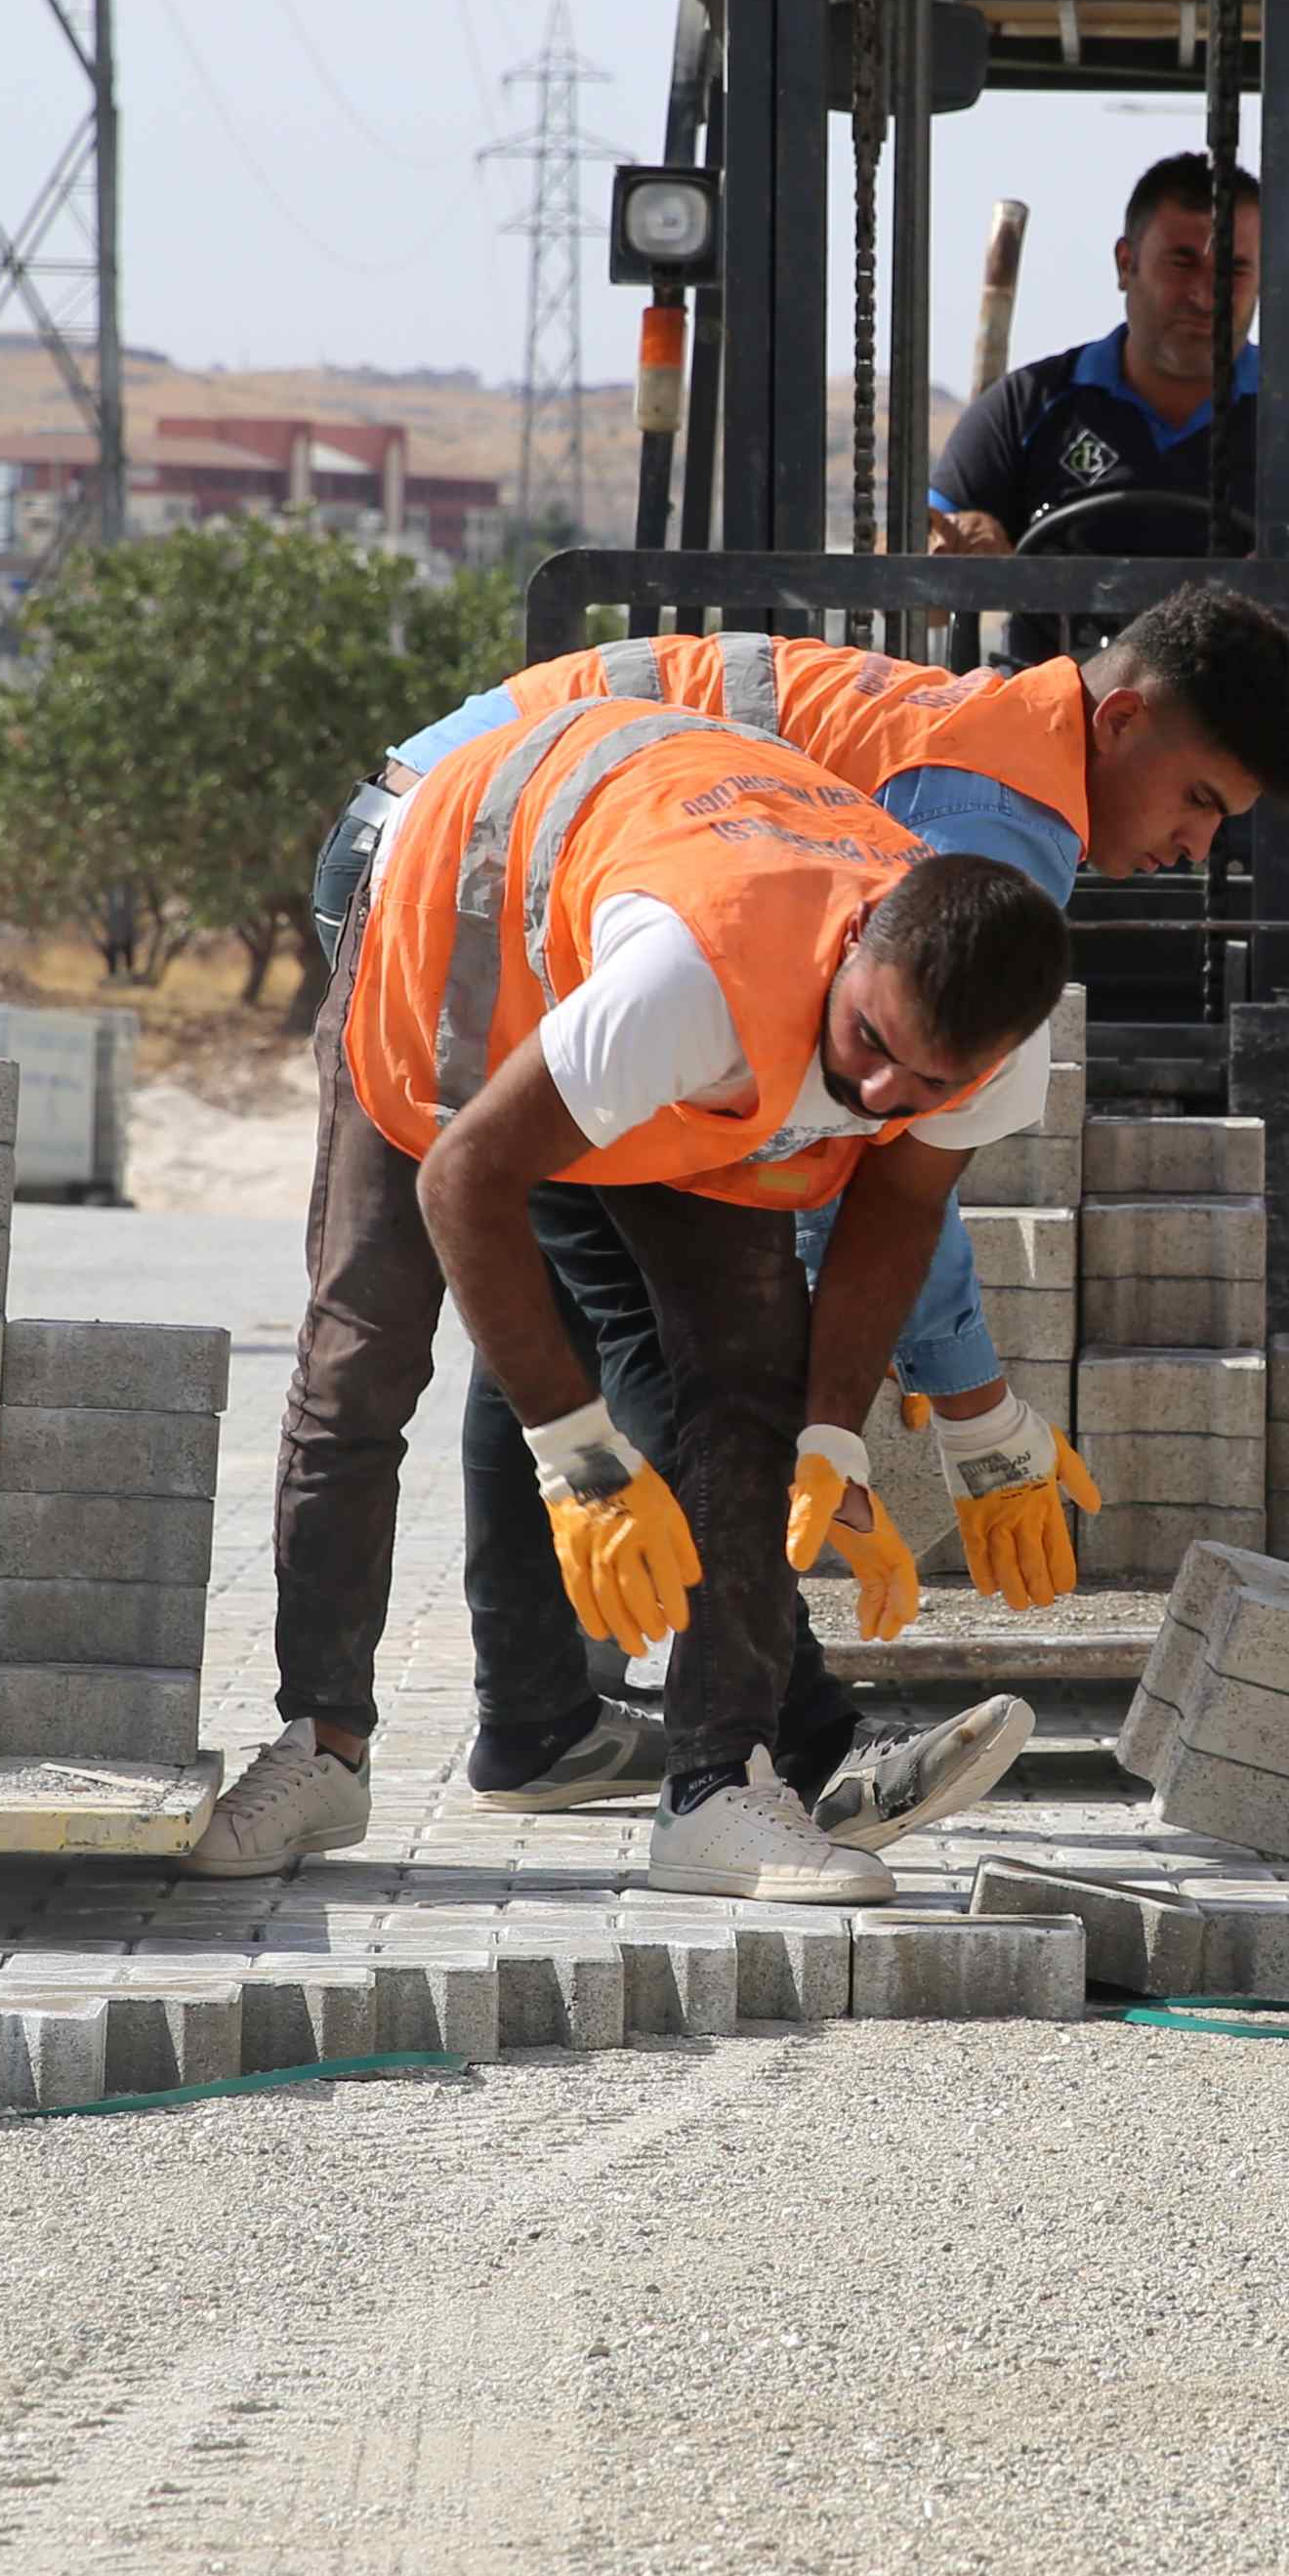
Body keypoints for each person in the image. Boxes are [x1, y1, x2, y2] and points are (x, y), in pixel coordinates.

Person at [394, 586, 1289, 1822]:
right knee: (692, 1361)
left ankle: (538, 1720)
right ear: (1126, 721)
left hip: (516, 853)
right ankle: (797, 1749)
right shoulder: (997, 833)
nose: (1198, 848)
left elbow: (881, 1140)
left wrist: (935, 1405)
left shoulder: (1006, 740)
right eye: (1202, 801)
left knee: (555, 1317)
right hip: (469, 854)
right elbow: (873, 1135)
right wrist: (969, 1405)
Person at [204, 700, 1074, 1901]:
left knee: (748, 1388)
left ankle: (720, 1793)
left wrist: (833, 1432)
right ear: (860, 935)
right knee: (366, 1354)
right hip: (450, 922)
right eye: (871, 1040)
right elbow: (470, 1182)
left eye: (928, 1081)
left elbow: (897, 1210)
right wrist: (580, 1459)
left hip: (625, 960)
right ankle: (320, 1748)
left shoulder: (982, 1048)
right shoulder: (696, 982)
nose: (877, 1092)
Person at [928, 152, 1289, 668]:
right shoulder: (1027, 408)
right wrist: (954, 549)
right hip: (1056, 729)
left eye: (1234, 270)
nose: (1203, 296)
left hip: (1249, 732)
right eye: (1182, 263)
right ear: (1125, 264)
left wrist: (1288, 593)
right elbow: (912, 571)